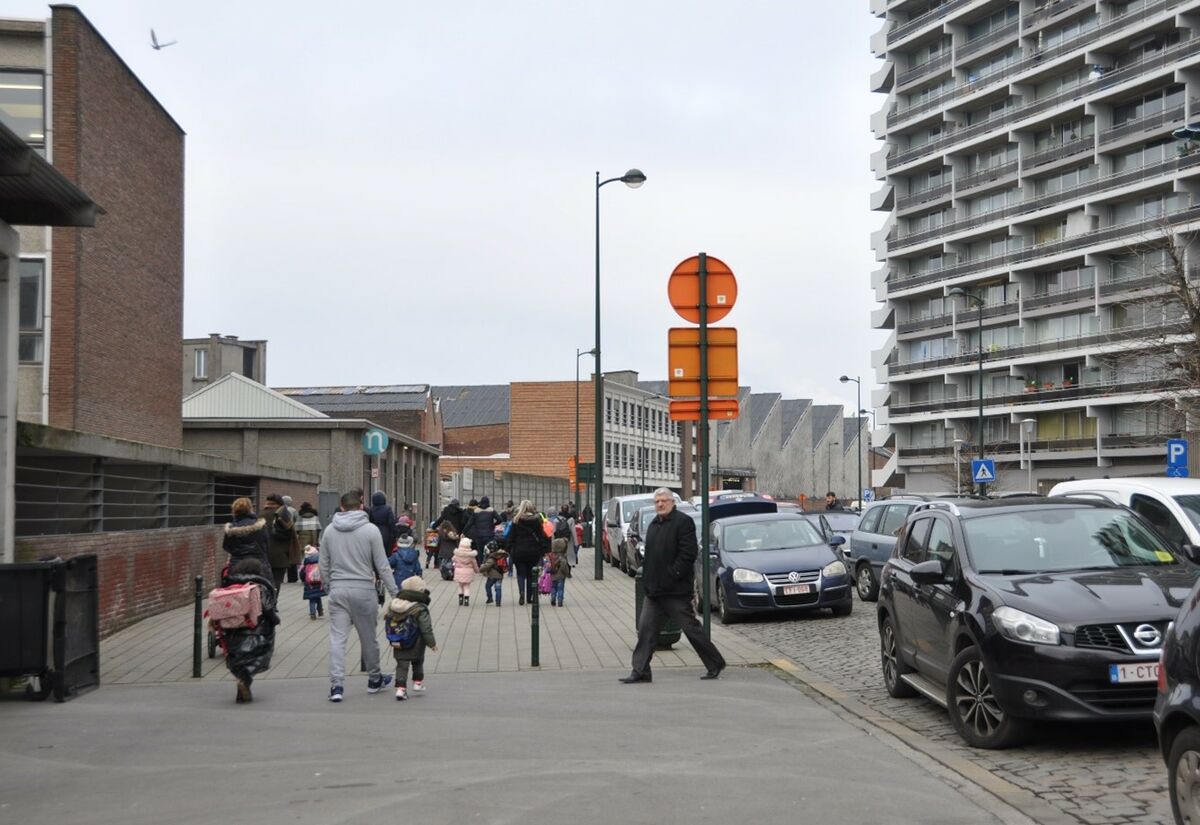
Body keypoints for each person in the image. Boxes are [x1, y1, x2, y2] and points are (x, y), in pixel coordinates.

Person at [621, 488, 726, 684]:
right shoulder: (654, 525)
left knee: (691, 629)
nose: (660, 504)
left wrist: (672, 576)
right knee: (646, 630)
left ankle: (715, 663)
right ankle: (641, 670)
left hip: (675, 592)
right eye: (657, 501)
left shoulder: (683, 522)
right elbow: (651, 557)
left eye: (664, 501)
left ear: (672, 502)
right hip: (654, 593)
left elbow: (688, 554)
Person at [320, 489, 398, 702]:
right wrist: (395, 593)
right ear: (361, 507)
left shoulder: (329, 531)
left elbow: (323, 563)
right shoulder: (371, 531)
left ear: (342, 508)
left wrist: (328, 585)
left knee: (337, 638)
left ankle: (336, 686)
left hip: (338, 589)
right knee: (368, 638)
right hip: (364, 589)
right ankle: (374, 679)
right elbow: (382, 565)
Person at [221, 558, 279, 703]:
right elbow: (267, 608)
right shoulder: (259, 586)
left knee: (238, 660)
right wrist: (275, 620)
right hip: (255, 629)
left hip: (232, 629)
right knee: (256, 658)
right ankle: (244, 682)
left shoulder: (230, 585)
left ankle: (241, 687)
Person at [386, 575, 437, 701]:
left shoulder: (394, 604)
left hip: (398, 639)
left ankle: (400, 689)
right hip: (416, 641)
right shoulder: (419, 608)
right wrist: (432, 643)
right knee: (418, 660)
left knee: (402, 665)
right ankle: (417, 683)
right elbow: (426, 628)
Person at [502, 500, 549, 606]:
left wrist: (508, 550)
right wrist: (543, 550)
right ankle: (529, 597)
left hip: (519, 551)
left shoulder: (516, 520)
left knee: (520, 574)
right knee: (530, 575)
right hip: (533, 552)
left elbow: (511, 537)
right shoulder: (537, 520)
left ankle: (521, 593)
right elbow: (541, 537)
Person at [222, 497, 269, 572]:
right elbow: (266, 543)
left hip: (237, 565)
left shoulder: (231, 528)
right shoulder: (261, 525)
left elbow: (226, 546)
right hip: (258, 565)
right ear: (250, 509)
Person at [262, 493, 295, 592]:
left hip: (263, 554)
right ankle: (273, 604)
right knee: (276, 581)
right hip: (280, 555)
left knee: (264, 581)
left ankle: (265, 603)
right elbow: (290, 534)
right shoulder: (283, 514)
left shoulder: (260, 514)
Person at [464, 495, 501, 561]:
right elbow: (500, 519)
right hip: (489, 535)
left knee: (480, 552)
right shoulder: (491, 510)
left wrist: (463, 532)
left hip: (478, 536)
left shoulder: (476, 511)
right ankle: (488, 567)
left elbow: (469, 524)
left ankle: (481, 567)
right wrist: (493, 524)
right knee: (489, 552)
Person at [369, 491, 399, 555]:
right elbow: (391, 523)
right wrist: (396, 534)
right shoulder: (387, 509)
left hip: (373, 533)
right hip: (386, 535)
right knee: (386, 554)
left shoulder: (370, 510)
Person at [479, 540, 509, 606]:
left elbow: (487, 566)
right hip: (500, 575)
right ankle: (498, 602)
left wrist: (480, 569)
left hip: (492, 576)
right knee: (498, 588)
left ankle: (490, 598)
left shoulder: (492, 557)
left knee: (488, 586)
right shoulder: (501, 556)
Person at [452, 536, 479, 606]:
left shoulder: (457, 554)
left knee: (460, 586)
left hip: (459, 571)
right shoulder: (471, 556)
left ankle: (460, 599)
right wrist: (477, 570)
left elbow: (453, 559)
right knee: (467, 587)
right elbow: (475, 564)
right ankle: (466, 600)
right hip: (468, 572)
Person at [300, 545, 324, 619]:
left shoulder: (306, 563)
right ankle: (320, 611)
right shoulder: (320, 561)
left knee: (312, 598)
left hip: (309, 583)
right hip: (319, 582)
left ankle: (312, 614)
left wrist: (303, 580)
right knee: (318, 596)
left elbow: (302, 573)